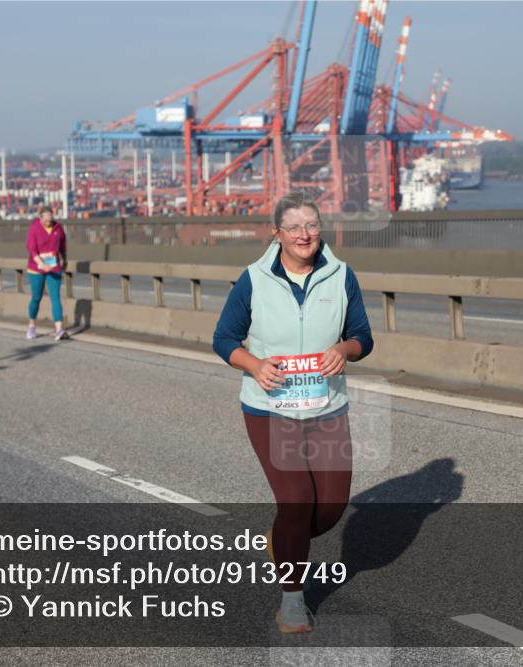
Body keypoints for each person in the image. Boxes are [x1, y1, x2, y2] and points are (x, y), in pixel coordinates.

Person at [213, 191, 373, 633]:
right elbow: (224, 339)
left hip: (327, 408)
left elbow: (363, 335)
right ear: (277, 233)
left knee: (332, 509)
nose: (305, 234)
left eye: (312, 225)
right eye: (295, 227)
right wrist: (255, 365)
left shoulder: (341, 277)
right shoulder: (253, 279)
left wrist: (345, 348)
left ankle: (283, 538)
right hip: (269, 409)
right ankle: (292, 600)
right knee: (297, 501)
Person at [24, 205, 68, 341]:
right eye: (46, 220)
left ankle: (59, 329)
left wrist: (63, 260)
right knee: (36, 298)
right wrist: (42, 264)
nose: (49, 222)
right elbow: (31, 249)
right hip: (36, 267)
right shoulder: (34, 228)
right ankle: (32, 325)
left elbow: (62, 247)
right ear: (40, 217)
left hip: (54, 267)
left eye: (51, 219)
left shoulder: (58, 228)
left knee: (55, 297)